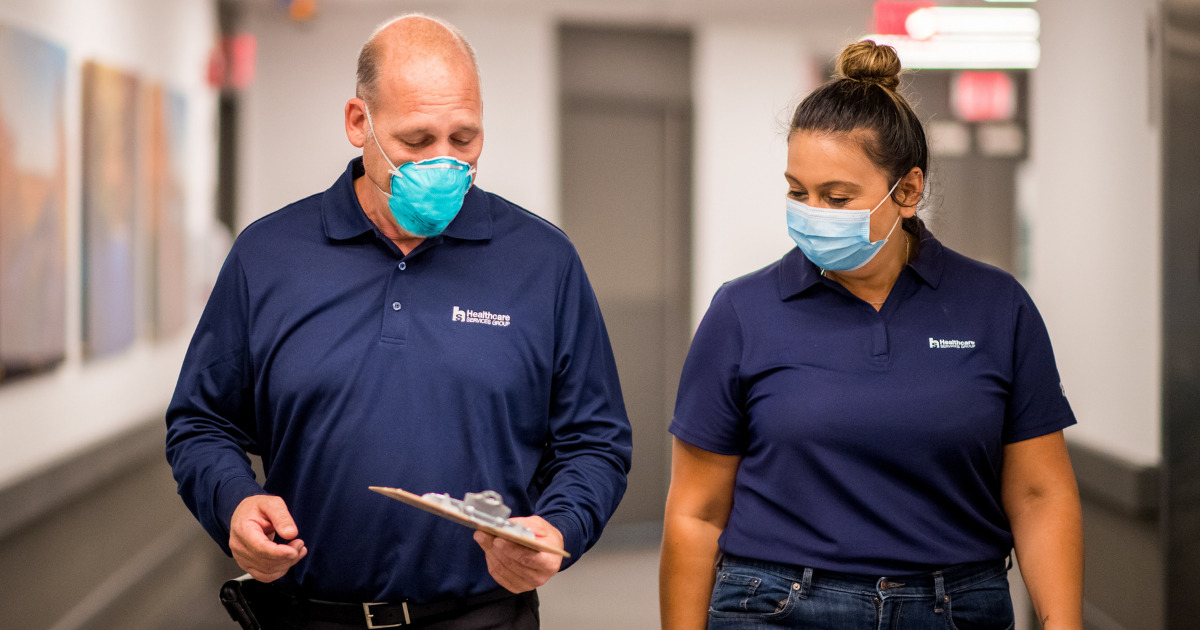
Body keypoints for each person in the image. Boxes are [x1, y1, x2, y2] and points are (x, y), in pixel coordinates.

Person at [166, 13, 632, 629]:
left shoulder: (543, 262)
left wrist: (559, 527)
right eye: (417, 141)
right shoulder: (267, 256)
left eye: (464, 139)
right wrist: (233, 504)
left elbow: (595, 441)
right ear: (360, 123)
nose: (444, 163)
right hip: (310, 617)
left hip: (483, 616)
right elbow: (201, 422)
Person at [660, 40, 1082, 630]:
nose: (811, 213)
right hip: (778, 605)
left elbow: (1039, 495)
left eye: (836, 197)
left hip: (954, 608)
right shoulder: (742, 311)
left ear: (907, 191)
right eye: (796, 191)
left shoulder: (995, 307)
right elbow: (696, 513)